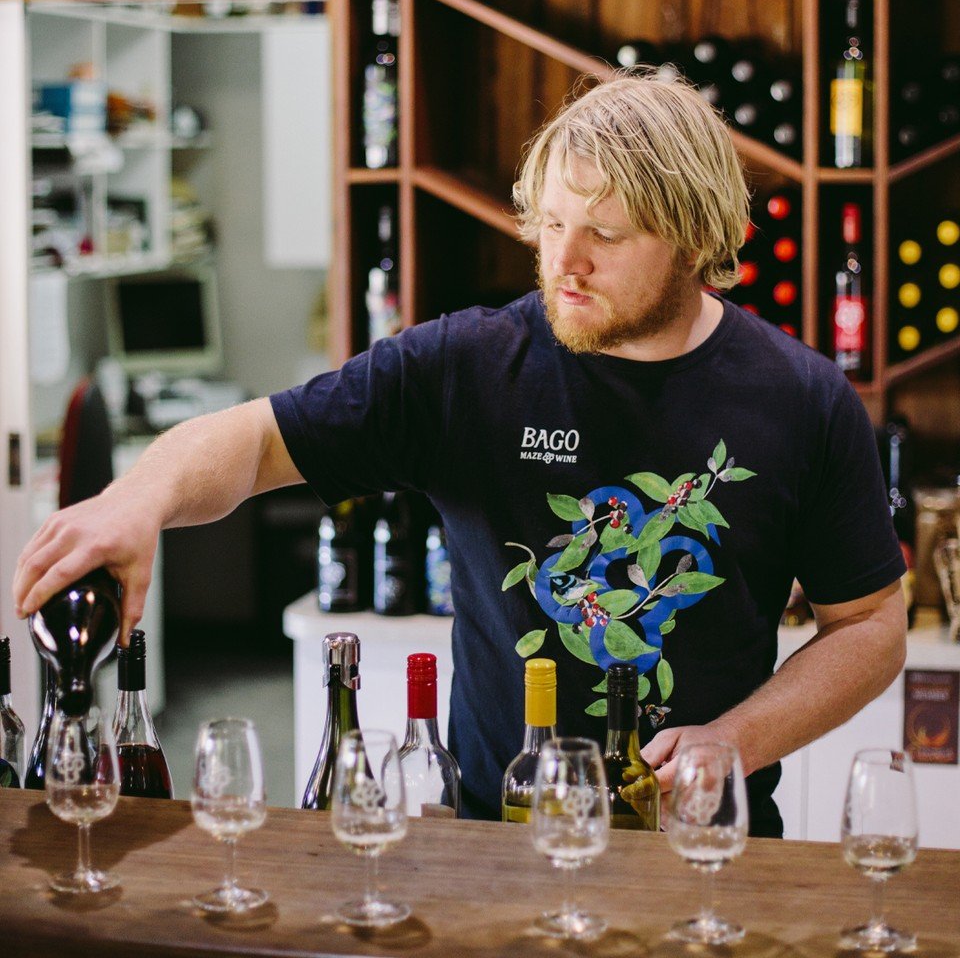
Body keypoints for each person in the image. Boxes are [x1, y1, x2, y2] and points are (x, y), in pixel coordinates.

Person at [13, 72, 906, 835]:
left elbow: (869, 627)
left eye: (606, 234)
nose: (564, 262)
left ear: (697, 238)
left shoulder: (804, 400)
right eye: (551, 224)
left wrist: (735, 740)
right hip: (497, 846)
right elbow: (253, 445)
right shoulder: (467, 368)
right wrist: (139, 498)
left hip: (705, 850)